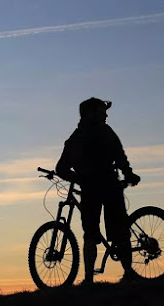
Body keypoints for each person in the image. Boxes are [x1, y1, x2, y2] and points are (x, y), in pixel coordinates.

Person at [55, 97, 141, 284]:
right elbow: (120, 156)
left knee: (91, 232)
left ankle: (88, 280)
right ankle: (128, 272)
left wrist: (78, 179)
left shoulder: (74, 139)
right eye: (102, 111)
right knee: (118, 228)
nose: (106, 114)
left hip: (91, 189)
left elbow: (60, 168)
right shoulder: (104, 132)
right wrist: (129, 174)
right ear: (91, 113)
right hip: (109, 185)